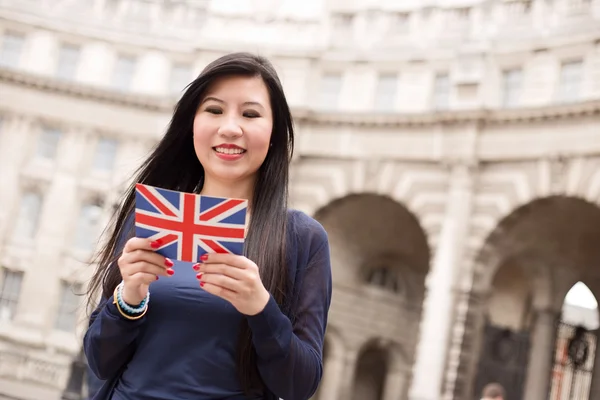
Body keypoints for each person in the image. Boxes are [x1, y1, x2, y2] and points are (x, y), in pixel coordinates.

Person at [84, 52, 332, 400]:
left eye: (250, 114)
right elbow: (99, 361)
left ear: (274, 133)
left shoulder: (302, 238)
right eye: (214, 110)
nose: (230, 127)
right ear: (192, 126)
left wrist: (261, 308)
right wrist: (129, 298)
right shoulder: (150, 218)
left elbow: (299, 385)